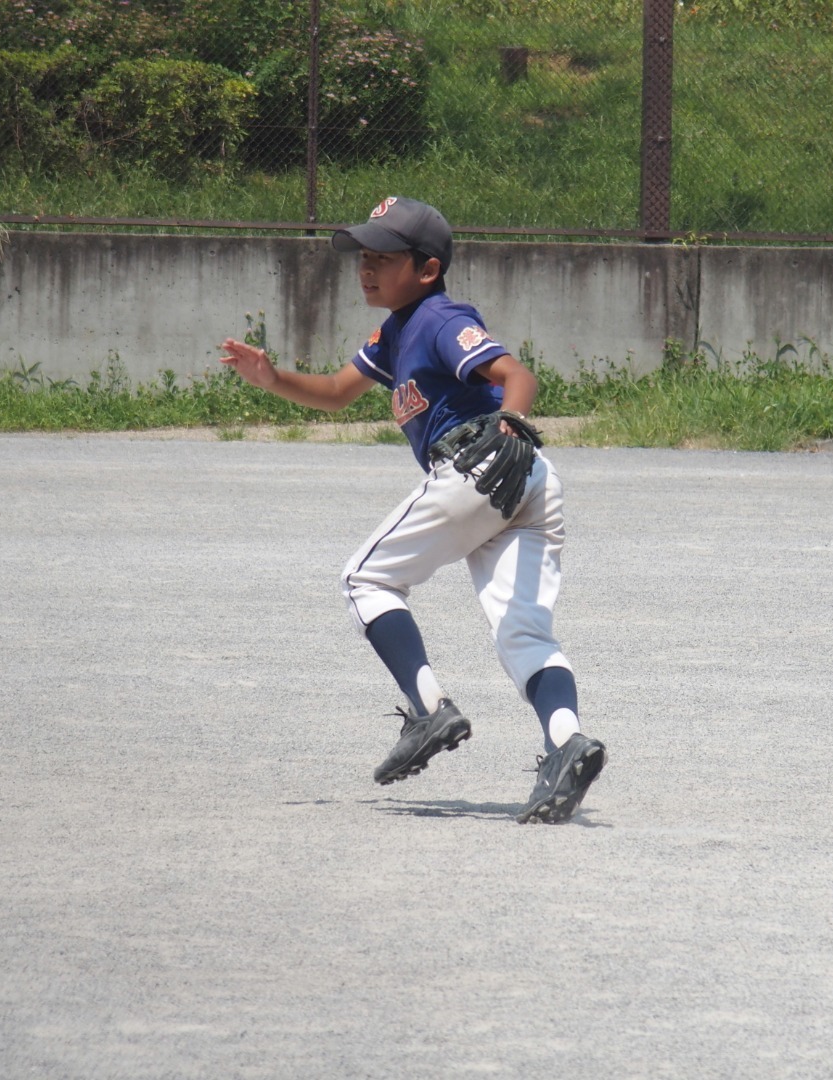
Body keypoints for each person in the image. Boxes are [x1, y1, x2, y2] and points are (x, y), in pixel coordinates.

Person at [219, 196, 605, 824]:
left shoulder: (438, 318)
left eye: (382, 258)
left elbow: (517, 374)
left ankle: (430, 709)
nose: (366, 269)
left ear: (426, 268)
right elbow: (338, 393)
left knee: (365, 578)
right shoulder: (396, 331)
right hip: (529, 485)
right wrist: (272, 379)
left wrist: (512, 420)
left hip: (483, 464)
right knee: (524, 633)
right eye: (363, 258)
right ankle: (567, 744)